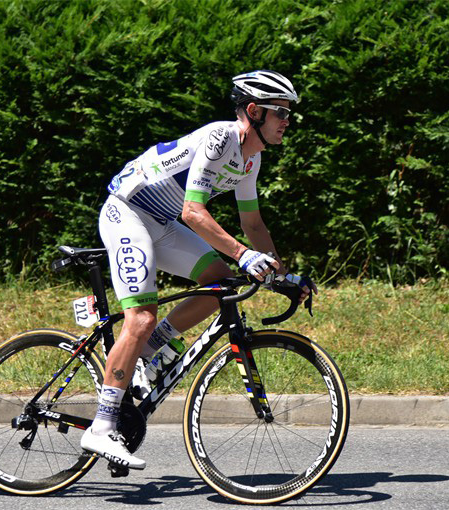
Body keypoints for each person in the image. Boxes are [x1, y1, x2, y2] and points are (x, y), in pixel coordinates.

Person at [80, 70, 317, 469]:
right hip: (128, 212)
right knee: (140, 317)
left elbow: (253, 225)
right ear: (254, 111)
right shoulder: (220, 138)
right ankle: (101, 428)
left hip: (162, 223)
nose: (287, 121)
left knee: (220, 284)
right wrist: (244, 255)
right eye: (281, 112)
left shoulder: (251, 158)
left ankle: (150, 353)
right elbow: (194, 212)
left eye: (289, 114)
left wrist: (279, 276)